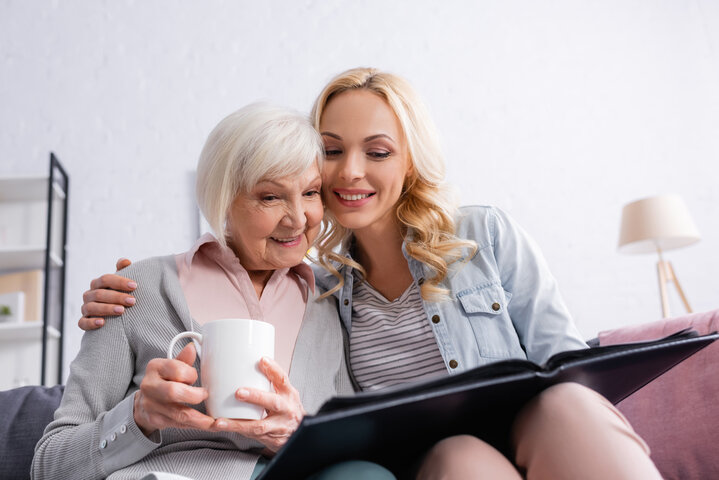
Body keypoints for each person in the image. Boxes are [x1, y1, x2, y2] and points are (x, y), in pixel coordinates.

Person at [78, 68, 662, 479]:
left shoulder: (483, 236)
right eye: (331, 151)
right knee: (460, 457)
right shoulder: (325, 290)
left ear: (409, 161)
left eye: (378, 152)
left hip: (541, 428)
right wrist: (130, 293)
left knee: (567, 405)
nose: (350, 172)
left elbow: (569, 368)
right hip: (440, 461)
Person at [32, 103, 395, 480]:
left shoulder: (329, 300)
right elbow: (48, 466)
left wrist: (295, 434)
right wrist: (138, 416)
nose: (299, 218)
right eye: (270, 197)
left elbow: (357, 445)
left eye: (311, 193)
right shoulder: (137, 289)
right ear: (223, 200)